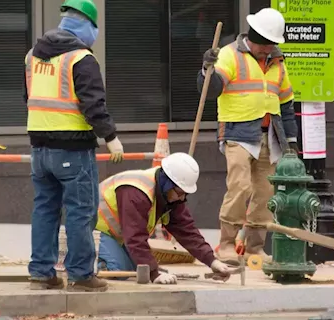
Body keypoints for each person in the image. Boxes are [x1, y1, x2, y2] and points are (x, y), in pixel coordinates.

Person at [24, 0, 124, 292]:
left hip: (39, 148)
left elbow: (27, 98)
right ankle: (81, 275)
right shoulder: (81, 58)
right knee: (81, 212)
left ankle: (41, 274)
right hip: (72, 149)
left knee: (44, 209)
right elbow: (94, 104)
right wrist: (110, 137)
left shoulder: (33, 56)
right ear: (87, 25)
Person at [196, 8, 298, 266]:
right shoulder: (230, 55)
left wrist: (292, 144)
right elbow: (211, 89)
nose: (268, 49)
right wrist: (205, 69)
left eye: (272, 45)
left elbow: (285, 104)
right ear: (253, 37)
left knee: (266, 192)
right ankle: (227, 244)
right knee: (240, 186)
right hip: (238, 133)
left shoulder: (277, 62)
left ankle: (254, 248)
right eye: (265, 44)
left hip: (271, 135)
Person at [95, 152, 237, 284]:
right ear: (167, 183)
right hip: (95, 232)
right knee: (118, 271)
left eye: (185, 194)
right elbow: (135, 236)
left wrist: (212, 261)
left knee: (138, 270)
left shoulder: (169, 195)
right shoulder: (137, 192)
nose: (182, 198)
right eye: (180, 192)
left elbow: (187, 231)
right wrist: (154, 274)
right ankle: (92, 264)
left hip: (119, 236)